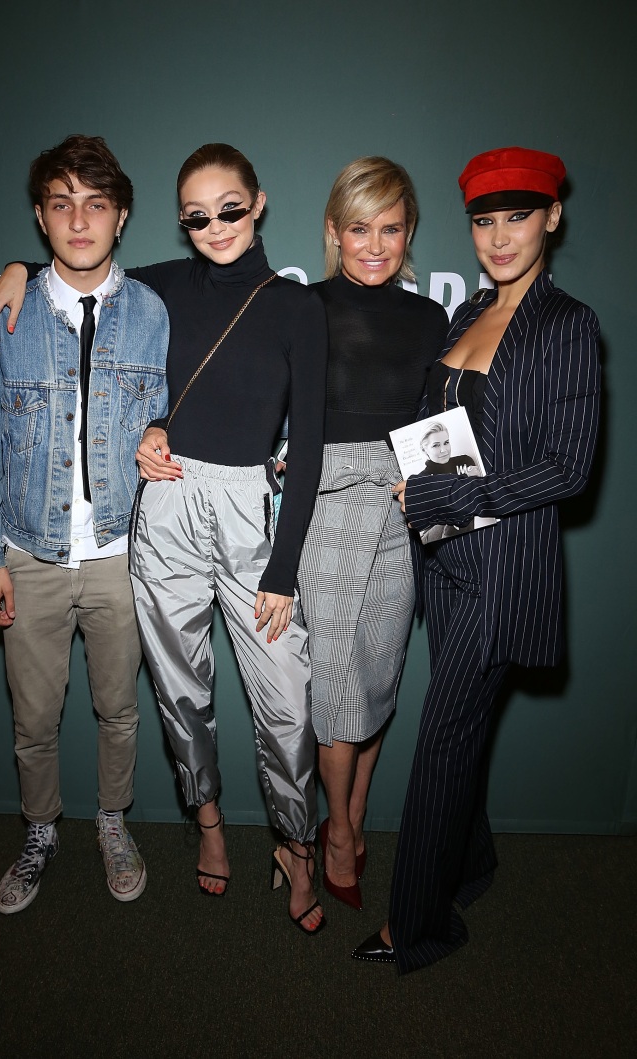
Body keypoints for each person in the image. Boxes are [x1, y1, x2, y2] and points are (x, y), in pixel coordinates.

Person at [0, 143, 329, 934]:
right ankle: (208, 827)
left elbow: (310, 447)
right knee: (177, 692)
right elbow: (77, 260)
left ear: (259, 203)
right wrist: (15, 268)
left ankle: (298, 845)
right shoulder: (162, 286)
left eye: (230, 208)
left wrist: (285, 563)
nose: (215, 226)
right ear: (179, 221)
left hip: (250, 515)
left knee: (286, 702)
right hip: (162, 507)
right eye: (197, 215)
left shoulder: (299, 306)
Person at [352, 146, 601, 971]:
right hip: (443, 565)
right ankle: (473, 864)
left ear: (552, 217)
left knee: (443, 742)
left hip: (501, 572)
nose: (498, 238)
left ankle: (416, 925)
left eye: (518, 217)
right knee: (464, 734)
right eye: (485, 221)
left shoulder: (567, 325)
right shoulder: (466, 317)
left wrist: (443, 499)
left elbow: (568, 467)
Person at [0, 135, 169, 914]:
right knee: (33, 717)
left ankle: (112, 819)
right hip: (29, 551)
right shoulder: (3, 317)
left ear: (121, 217)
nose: (79, 220)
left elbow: (180, 408)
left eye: (96, 203)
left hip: (123, 555)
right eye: (61, 203)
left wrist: (166, 428)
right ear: (41, 218)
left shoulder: (153, 314)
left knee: (120, 707)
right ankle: (40, 829)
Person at [296, 158, 448, 910]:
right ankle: (340, 835)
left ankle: (347, 816)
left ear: (408, 232)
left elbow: (438, 425)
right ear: (334, 231)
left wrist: (432, 497)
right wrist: (22, 268)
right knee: (338, 689)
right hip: (325, 501)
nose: (376, 244)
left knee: (379, 677)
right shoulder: (302, 306)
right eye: (359, 228)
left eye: (390, 228)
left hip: (400, 502)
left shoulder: (429, 319)